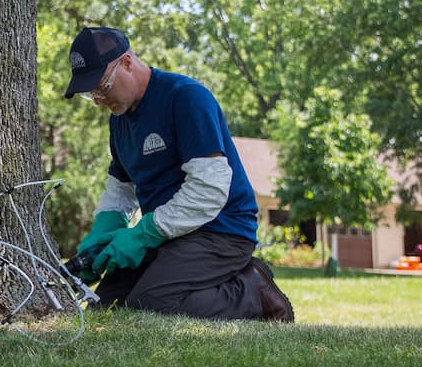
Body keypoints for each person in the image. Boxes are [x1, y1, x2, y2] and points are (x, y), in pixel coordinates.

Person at [64, 26, 293, 321]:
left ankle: (253, 290)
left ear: (127, 63)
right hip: (169, 233)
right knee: (105, 306)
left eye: (102, 86)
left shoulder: (185, 98)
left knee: (151, 304)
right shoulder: (119, 121)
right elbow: (121, 189)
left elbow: (208, 191)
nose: (98, 99)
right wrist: (99, 236)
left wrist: (142, 235)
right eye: (90, 93)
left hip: (221, 230)